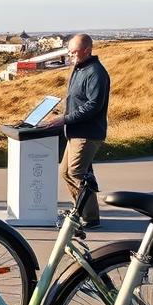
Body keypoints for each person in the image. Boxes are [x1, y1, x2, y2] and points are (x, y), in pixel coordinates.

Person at [44, 33, 110, 228]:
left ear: (87, 51)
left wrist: (64, 119)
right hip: (75, 131)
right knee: (66, 171)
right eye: (69, 51)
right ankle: (80, 210)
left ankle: (90, 217)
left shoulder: (95, 72)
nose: (70, 55)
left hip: (87, 133)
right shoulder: (80, 68)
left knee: (76, 172)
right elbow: (78, 99)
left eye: (73, 52)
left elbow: (93, 106)